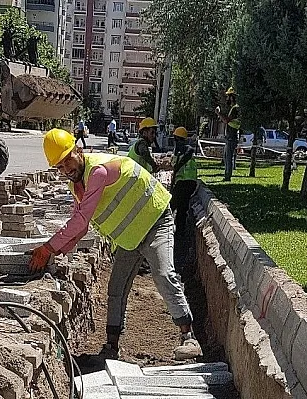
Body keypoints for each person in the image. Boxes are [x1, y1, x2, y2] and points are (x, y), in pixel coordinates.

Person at [29, 129, 203, 361]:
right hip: (130, 238)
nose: (66, 169)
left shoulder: (98, 171)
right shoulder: (77, 185)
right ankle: (111, 347)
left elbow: (81, 219)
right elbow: (80, 228)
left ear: (78, 150)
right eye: (59, 167)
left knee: (163, 273)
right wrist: (56, 253)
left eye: (68, 160)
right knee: (116, 288)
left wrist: (48, 247)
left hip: (155, 221)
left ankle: (189, 338)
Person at [170, 127, 198, 237]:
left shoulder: (186, 149)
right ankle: (180, 233)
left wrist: (178, 165)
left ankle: (167, 230)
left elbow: (189, 152)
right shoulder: (179, 150)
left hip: (183, 183)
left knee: (172, 207)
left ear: (176, 138)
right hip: (190, 184)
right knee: (182, 208)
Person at [216, 87, 240, 181]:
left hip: (232, 136)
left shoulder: (235, 108)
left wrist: (218, 113)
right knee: (226, 157)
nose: (227, 99)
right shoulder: (233, 108)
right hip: (230, 136)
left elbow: (226, 120)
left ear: (232, 97)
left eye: (228, 96)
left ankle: (227, 177)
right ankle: (227, 175)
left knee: (228, 157)